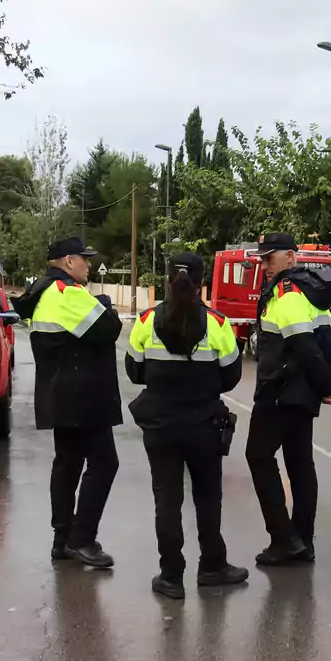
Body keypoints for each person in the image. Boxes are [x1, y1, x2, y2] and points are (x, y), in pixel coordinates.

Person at [126, 252, 249, 599]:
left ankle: (171, 576)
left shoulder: (146, 321)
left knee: (167, 501)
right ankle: (212, 567)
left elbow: (134, 372)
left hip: (161, 428)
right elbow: (231, 378)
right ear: (202, 285)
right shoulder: (219, 324)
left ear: (167, 282)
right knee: (208, 499)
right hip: (204, 427)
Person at [16, 237, 122, 569]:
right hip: (83, 397)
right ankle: (82, 539)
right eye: (84, 258)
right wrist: (106, 306)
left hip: (60, 395)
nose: (89, 264)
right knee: (104, 463)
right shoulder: (67, 293)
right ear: (68, 261)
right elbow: (109, 329)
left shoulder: (43, 293)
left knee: (68, 463)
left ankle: (62, 539)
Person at [246, 232, 331, 566]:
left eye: (269, 258)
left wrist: (327, 387)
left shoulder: (288, 294)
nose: (264, 265)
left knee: (258, 456)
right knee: (300, 464)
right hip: (300, 394)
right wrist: (322, 387)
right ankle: (303, 541)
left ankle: (284, 538)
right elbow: (326, 344)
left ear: (291, 257)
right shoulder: (308, 290)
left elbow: (306, 347)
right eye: (262, 259)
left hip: (279, 391)